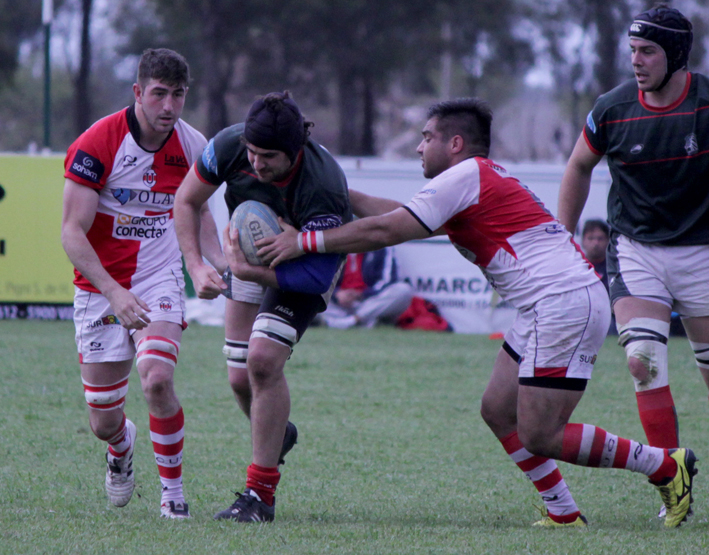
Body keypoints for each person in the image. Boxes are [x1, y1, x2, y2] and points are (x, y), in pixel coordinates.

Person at [254, 98, 697, 528]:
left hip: (562, 301)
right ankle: (563, 511)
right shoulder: (471, 181)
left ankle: (664, 465)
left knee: (541, 432)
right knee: (497, 409)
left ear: (456, 144)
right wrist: (333, 190)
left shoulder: (464, 176)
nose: (417, 147)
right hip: (547, 304)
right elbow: (394, 215)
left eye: (426, 138)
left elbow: (387, 229)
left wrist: (304, 242)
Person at [173, 91, 352, 522]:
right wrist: (197, 266)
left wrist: (252, 273)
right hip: (250, 258)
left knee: (264, 361)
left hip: (305, 267)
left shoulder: (324, 183)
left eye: (268, 157)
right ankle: (278, 433)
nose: (256, 164)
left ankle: (259, 496)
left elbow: (317, 278)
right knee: (239, 380)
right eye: (252, 153)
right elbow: (187, 201)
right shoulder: (228, 146)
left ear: (295, 152)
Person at [61, 48, 221, 519]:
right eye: (158, 94)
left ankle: (173, 494)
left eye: (178, 95)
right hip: (100, 288)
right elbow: (71, 233)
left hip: (158, 275)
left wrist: (214, 266)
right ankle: (121, 446)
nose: (168, 106)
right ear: (138, 93)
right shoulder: (97, 144)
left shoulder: (194, 145)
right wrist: (113, 291)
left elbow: (200, 212)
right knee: (102, 419)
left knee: (156, 376)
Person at [557, 4, 708, 468]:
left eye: (647, 51)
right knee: (642, 360)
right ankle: (670, 473)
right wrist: (562, 240)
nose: (636, 61)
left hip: (701, 251)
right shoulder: (612, 109)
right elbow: (579, 165)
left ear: (677, 55)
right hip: (636, 251)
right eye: (632, 51)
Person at [320, 248, 414, 329]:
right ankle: (362, 321)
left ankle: (353, 320)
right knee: (311, 292)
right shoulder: (334, 245)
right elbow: (321, 278)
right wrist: (336, 294)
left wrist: (361, 295)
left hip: (367, 302)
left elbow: (387, 280)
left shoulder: (381, 244)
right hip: (337, 303)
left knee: (403, 290)